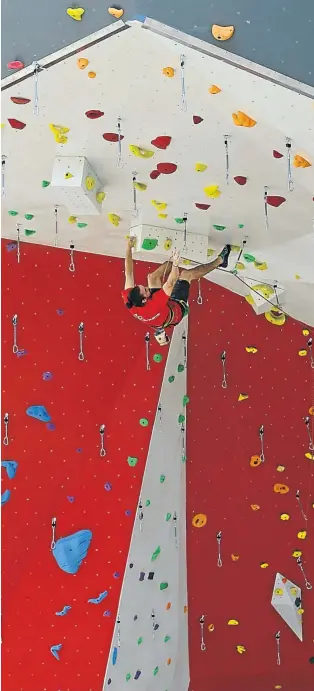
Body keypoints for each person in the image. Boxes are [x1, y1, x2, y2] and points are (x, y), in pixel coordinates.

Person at [121, 237, 231, 345]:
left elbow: (128, 273)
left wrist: (128, 248)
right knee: (186, 275)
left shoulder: (130, 300)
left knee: (152, 277)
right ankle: (220, 261)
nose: (146, 287)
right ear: (145, 300)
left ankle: (176, 256)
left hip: (162, 311)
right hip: (177, 308)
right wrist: (175, 264)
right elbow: (171, 283)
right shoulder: (154, 305)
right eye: (145, 290)